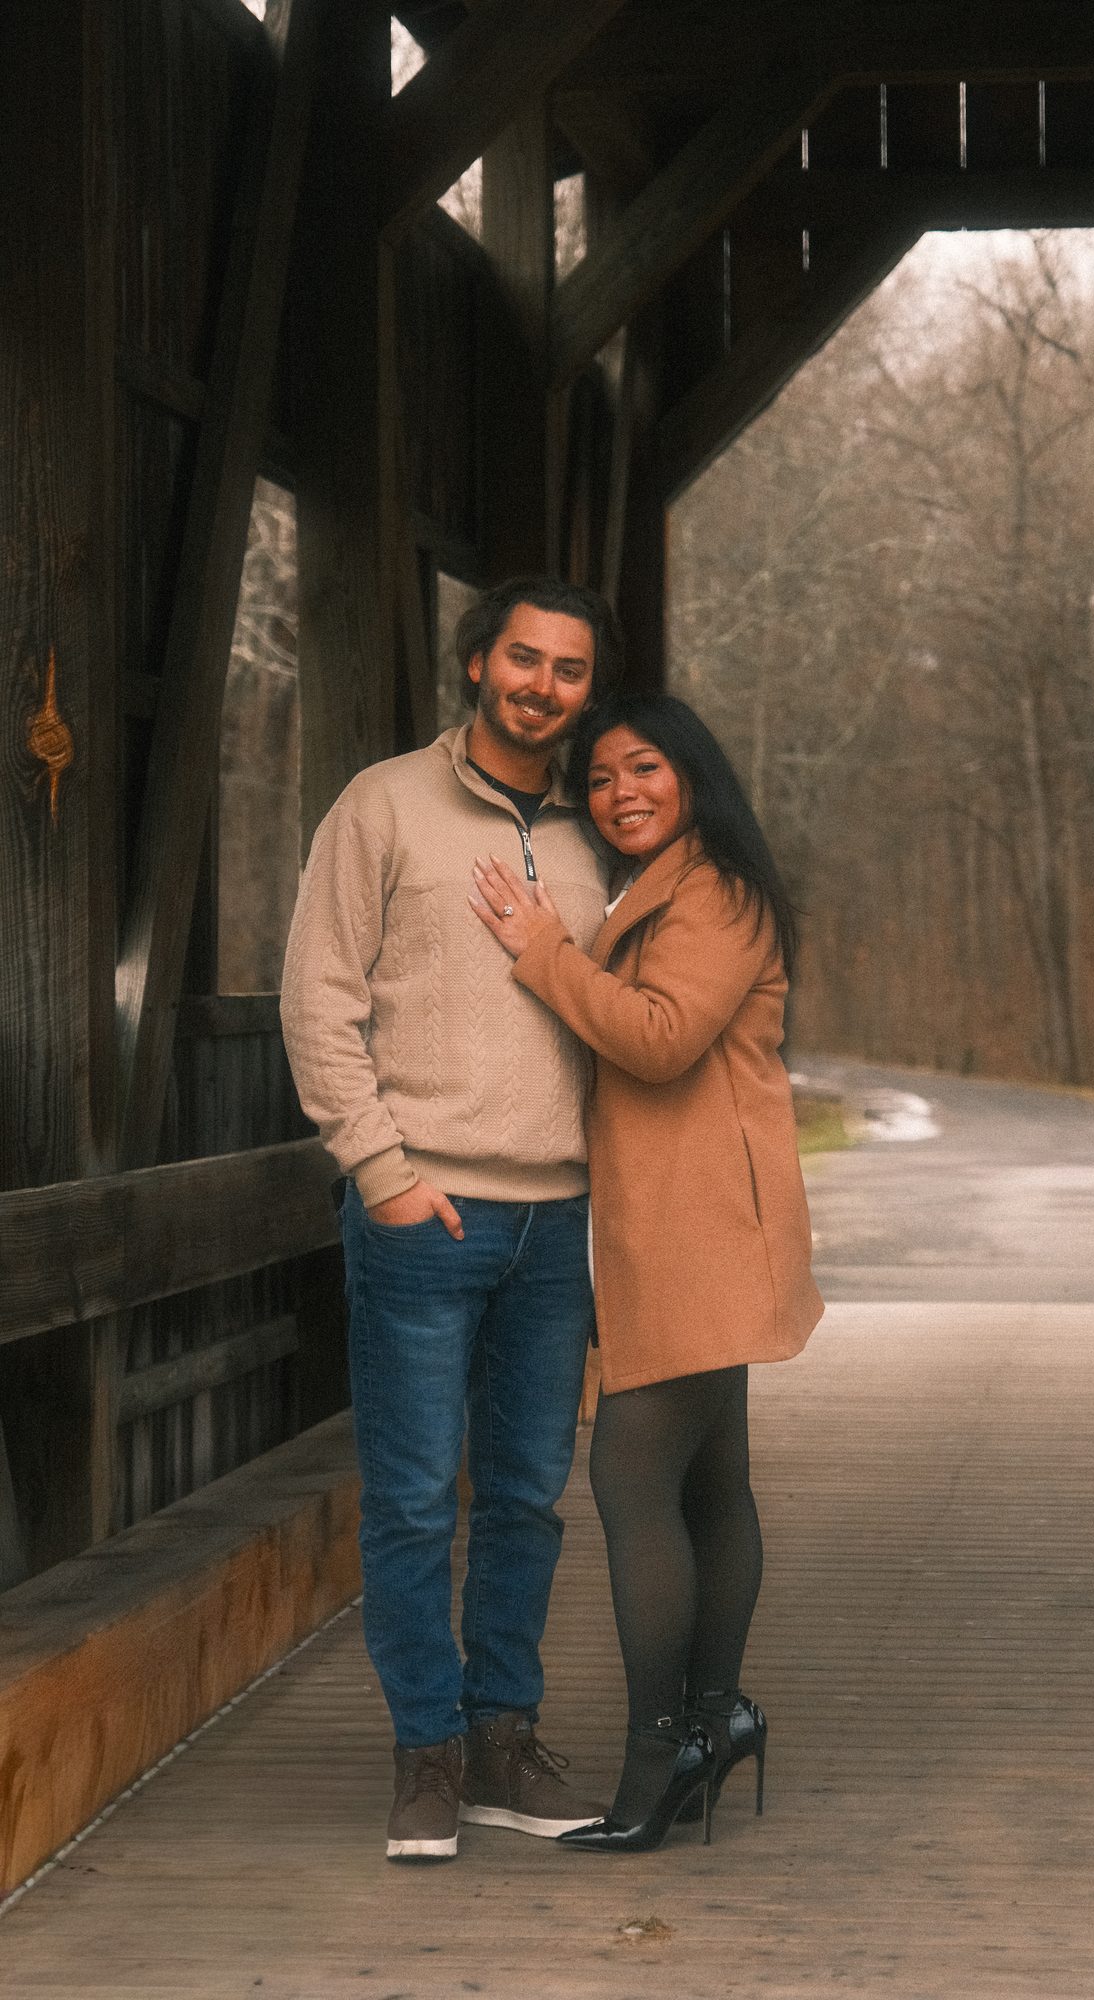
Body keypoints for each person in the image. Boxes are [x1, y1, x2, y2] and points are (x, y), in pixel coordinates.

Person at [280, 575, 624, 1863]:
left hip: (558, 1221)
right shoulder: (382, 805)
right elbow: (318, 997)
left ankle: (500, 1745)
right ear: (478, 662)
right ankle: (423, 1753)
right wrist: (380, 1169)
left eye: (570, 669)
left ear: (590, 689)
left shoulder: (604, 829)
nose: (543, 684)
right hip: (423, 1209)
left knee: (530, 1495)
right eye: (523, 658)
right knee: (419, 1499)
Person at [468, 690, 824, 1853]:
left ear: (692, 775)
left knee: (631, 1480)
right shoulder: (668, 882)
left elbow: (663, 1038)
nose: (622, 792)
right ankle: (715, 1723)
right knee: (711, 1480)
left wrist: (540, 951)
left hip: (699, 1223)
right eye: (602, 777)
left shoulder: (711, 889)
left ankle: (658, 1753)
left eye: (645, 770)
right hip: (692, 1216)